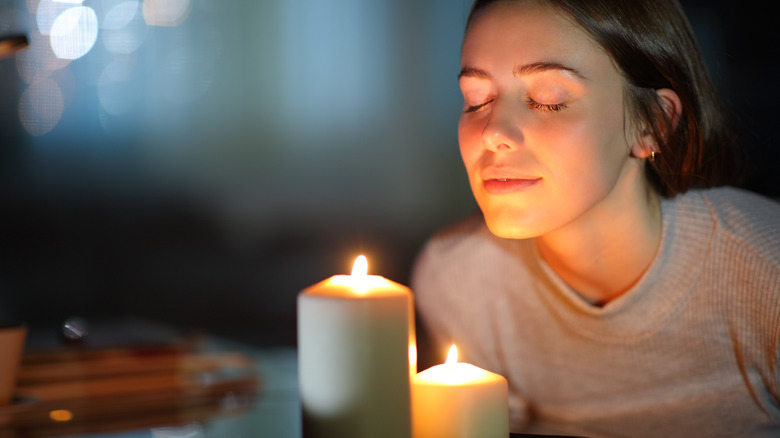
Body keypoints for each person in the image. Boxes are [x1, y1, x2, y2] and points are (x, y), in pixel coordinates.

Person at [411, 0, 780, 436]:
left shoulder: (764, 274)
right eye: (476, 101)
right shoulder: (456, 281)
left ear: (654, 125)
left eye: (548, 100)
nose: (493, 132)